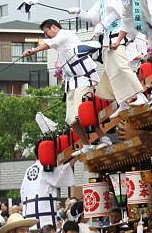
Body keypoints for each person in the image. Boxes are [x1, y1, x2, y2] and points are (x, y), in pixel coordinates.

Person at [67, 0, 148, 119]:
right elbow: (94, 15)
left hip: (117, 33)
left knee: (121, 66)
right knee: (112, 72)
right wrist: (79, 12)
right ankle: (123, 102)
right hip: (106, 37)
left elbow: (118, 12)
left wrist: (102, 24)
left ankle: (140, 95)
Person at [23, 20, 110, 150]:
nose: (47, 36)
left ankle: (104, 138)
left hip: (84, 79)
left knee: (82, 112)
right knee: (71, 120)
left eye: (47, 33)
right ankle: (86, 145)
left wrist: (33, 50)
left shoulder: (65, 34)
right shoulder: (60, 45)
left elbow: (50, 43)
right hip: (71, 83)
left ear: (53, 27)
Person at [21, 155, 76, 229]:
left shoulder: (28, 170)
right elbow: (61, 173)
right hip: (45, 220)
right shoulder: (46, 168)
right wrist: (76, 158)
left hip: (29, 219)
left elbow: (22, 192)